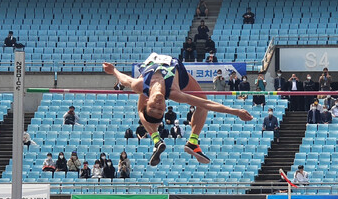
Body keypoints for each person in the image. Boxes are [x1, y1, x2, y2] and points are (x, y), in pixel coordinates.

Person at [103, 52, 253, 166]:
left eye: (153, 107)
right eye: (159, 109)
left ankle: (168, 141)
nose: (158, 104)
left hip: (150, 76)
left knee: (140, 107)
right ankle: (186, 141)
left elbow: (124, 79)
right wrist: (236, 111)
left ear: (147, 101)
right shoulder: (174, 93)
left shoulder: (140, 86)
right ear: (166, 107)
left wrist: (113, 70)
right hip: (180, 77)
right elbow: (208, 105)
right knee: (203, 103)